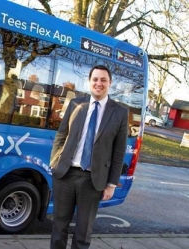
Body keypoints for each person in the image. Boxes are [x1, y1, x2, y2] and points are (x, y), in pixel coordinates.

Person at [50, 65, 128, 249]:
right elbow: (61, 135)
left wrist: (111, 184)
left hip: (93, 180)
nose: (98, 83)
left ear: (110, 83)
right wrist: (54, 162)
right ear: (89, 81)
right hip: (66, 175)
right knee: (58, 227)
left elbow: (119, 152)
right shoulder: (76, 104)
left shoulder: (120, 112)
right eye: (95, 79)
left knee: (83, 233)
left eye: (103, 80)